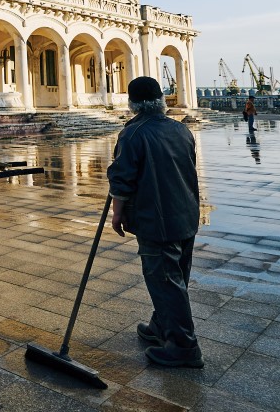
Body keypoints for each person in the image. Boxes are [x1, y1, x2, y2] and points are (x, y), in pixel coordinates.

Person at [108, 76, 203, 368]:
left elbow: (122, 180)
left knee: (164, 280)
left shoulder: (133, 134)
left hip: (156, 217)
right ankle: (161, 326)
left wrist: (117, 212)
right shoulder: (181, 130)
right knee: (177, 276)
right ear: (161, 100)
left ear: (132, 103)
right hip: (186, 213)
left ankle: (184, 347)